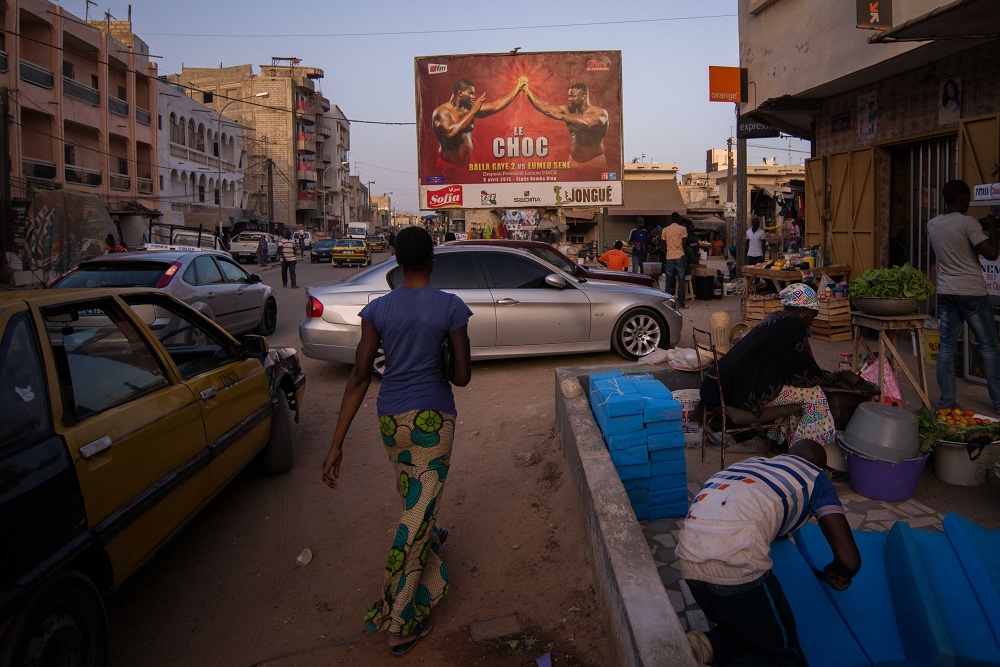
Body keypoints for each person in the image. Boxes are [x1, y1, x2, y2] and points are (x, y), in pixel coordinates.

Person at [321, 226, 472, 658]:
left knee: (415, 498)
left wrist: (336, 443)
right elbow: (461, 377)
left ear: (396, 260)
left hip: (391, 421)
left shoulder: (378, 309)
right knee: (415, 516)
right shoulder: (451, 306)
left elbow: (359, 376)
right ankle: (400, 621)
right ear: (432, 260)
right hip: (433, 420)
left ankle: (429, 549)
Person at [677, 439, 861, 666]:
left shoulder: (753, 465)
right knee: (782, 653)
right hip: (735, 562)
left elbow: (761, 508)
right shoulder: (815, 477)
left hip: (688, 556)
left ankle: (699, 647)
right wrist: (837, 571)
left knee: (750, 630)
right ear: (819, 466)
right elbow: (850, 561)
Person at [699, 283, 860, 473]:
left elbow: (790, 368)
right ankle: (806, 458)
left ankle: (778, 441)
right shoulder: (793, 328)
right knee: (814, 395)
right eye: (812, 316)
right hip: (741, 394)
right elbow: (808, 375)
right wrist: (838, 376)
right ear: (802, 312)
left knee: (792, 390)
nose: (811, 321)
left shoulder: (776, 318)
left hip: (723, 386)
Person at [927, 179, 1000, 413]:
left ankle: (946, 404)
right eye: (967, 197)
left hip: (947, 292)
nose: (968, 201)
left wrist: (979, 224)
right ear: (960, 198)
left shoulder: (933, 224)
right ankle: (999, 403)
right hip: (972, 293)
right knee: (988, 347)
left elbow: (955, 234)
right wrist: (994, 227)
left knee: (946, 348)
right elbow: (991, 253)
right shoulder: (968, 223)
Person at [432, 77, 524, 167]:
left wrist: (517, 90)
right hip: (448, 166)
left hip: (469, 163)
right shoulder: (442, 112)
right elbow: (451, 132)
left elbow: (495, 106)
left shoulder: (469, 108)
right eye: (471, 93)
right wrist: (472, 111)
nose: (474, 97)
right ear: (460, 93)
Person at [523, 81, 609, 165]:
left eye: (573, 96)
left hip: (595, 161)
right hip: (572, 161)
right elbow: (545, 107)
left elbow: (587, 123)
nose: (569, 99)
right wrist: (527, 92)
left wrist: (562, 117)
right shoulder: (567, 110)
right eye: (569, 96)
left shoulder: (600, 112)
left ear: (584, 97)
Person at [661, 213, 689, 308]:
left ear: (671, 219)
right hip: (679, 256)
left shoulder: (665, 230)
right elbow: (685, 243)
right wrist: (685, 256)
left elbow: (662, 245)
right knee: (681, 281)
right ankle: (681, 303)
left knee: (669, 281)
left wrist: (666, 254)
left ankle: (667, 303)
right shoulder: (682, 229)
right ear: (678, 219)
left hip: (669, 257)